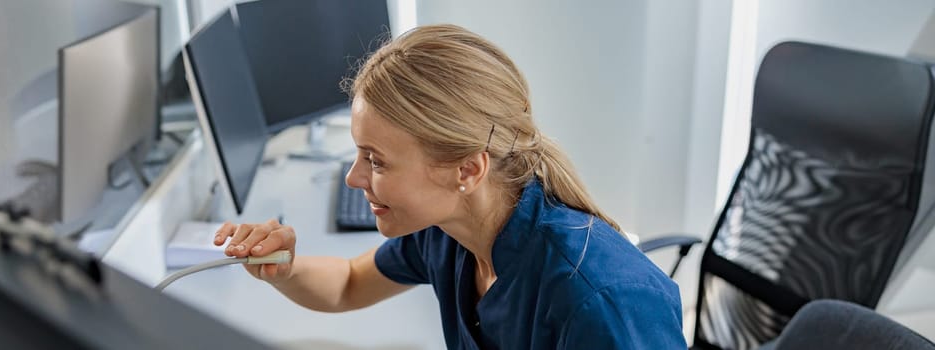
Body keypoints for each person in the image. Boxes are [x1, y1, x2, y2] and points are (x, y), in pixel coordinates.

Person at [213, 24, 687, 349]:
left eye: (375, 160)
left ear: (466, 171)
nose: (354, 178)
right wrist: (285, 268)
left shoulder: (604, 303)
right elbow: (349, 284)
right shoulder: (447, 231)